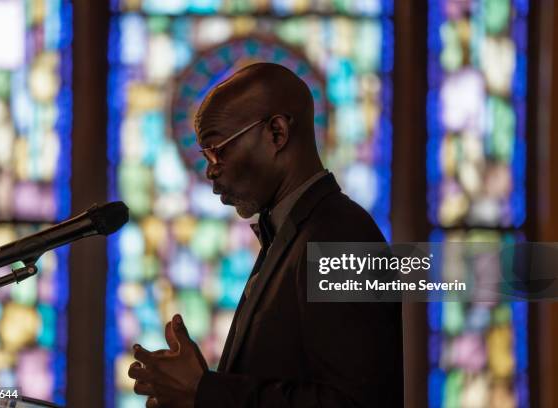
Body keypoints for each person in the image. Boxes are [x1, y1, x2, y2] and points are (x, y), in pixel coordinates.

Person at [128, 62, 403, 407]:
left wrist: (205, 392)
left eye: (218, 150)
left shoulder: (340, 235)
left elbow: (354, 403)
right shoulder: (289, 235)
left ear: (277, 133)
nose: (211, 170)